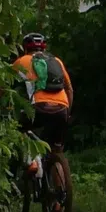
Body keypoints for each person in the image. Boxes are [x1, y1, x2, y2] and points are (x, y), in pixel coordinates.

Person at [12, 31, 74, 171]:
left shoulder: (21, 62)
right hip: (61, 110)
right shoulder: (56, 61)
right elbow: (69, 89)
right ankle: (61, 185)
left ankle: (31, 161)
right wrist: (67, 112)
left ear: (25, 48)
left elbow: (3, 88)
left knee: (20, 129)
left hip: (38, 108)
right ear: (44, 48)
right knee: (56, 149)